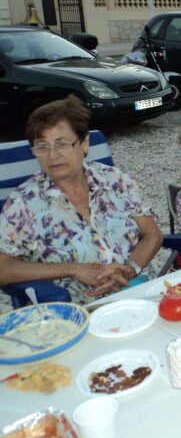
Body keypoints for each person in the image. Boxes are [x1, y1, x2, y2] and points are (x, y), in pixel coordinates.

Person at [0, 96, 162, 304]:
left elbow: (152, 234)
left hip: (142, 293)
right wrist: (72, 269)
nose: (53, 156)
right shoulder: (23, 203)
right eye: (42, 146)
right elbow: (3, 267)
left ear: (84, 143)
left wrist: (130, 270)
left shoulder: (116, 180)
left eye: (62, 144)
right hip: (82, 310)